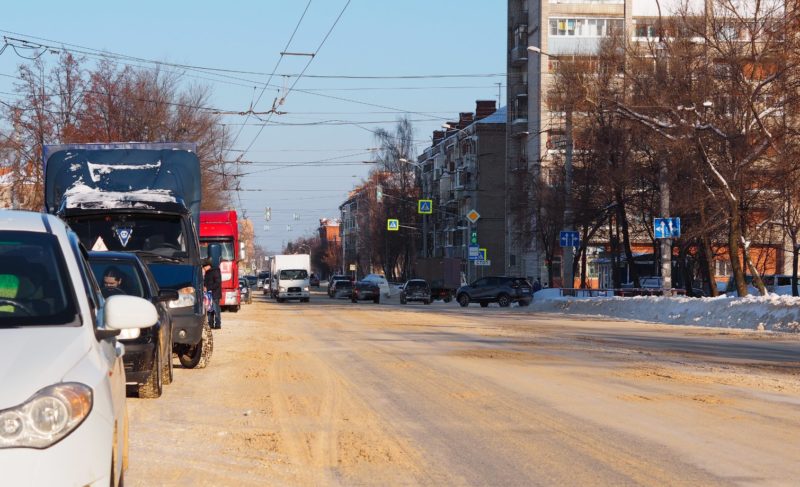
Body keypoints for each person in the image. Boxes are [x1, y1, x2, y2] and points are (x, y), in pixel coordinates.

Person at [202, 258, 222, 329]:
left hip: (215, 294)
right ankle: (210, 324)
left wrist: (208, 288)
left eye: (204, 267)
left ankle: (218, 324)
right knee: (210, 310)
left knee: (216, 309)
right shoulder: (207, 273)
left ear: (208, 266)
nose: (203, 268)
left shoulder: (215, 271)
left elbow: (217, 283)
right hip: (208, 295)